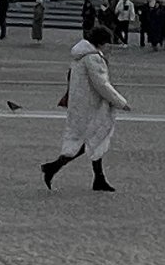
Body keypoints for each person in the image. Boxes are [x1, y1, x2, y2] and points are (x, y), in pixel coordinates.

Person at [41, 25, 131, 191]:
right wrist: (121, 102)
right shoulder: (92, 58)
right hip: (92, 106)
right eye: (108, 43)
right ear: (101, 42)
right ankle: (54, 167)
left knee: (94, 139)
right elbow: (102, 84)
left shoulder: (80, 56)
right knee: (92, 138)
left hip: (81, 104)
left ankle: (98, 178)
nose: (109, 46)